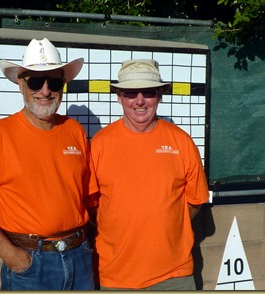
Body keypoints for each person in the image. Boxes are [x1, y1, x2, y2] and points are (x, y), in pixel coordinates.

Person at [0, 38, 98, 290]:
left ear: (62, 86)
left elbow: (89, 197)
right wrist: (12, 256)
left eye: (54, 82)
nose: (45, 91)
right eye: (35, 81)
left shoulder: (75, 131)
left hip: (79, 257)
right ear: (21, 85)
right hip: (30, 264)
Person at [88, 59, 210, 290]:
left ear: (160, 95)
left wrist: (165, 223)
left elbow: (194, 202)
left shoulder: (181, 142)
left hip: (174, 277)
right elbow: (92, 205)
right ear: (119, 97)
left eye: (149, 92)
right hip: (114, 276)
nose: (140, 101)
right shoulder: (100, 144)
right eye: (131, 93)